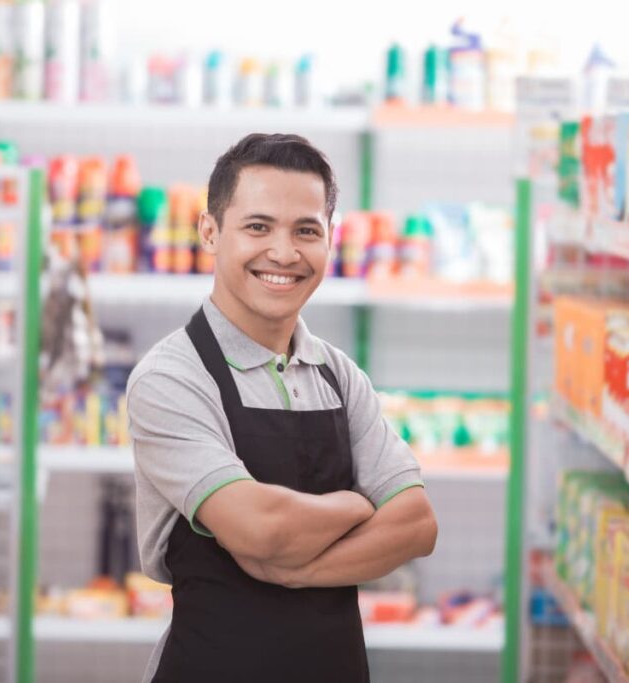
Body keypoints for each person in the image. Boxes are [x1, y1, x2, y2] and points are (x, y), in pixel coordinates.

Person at [127, 133, 438, 682]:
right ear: (209, 231)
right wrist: (357, 505)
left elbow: (416, 525)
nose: (284, 252)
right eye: (257, 226)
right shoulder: (171, 376)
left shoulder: (338, 376)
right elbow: (260, 530)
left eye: (306, 231)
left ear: (329, 241)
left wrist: (295, 572)